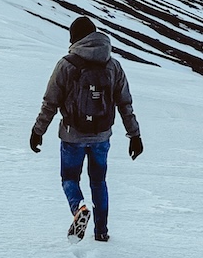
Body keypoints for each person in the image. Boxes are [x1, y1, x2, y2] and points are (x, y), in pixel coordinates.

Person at [29, 15, 143, 242]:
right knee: (99, 182)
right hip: (101, 137)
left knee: (69, 178)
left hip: (73, 135)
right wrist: (135, 135)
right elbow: (125, 103)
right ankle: (101, 232)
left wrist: (38, 131)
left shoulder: (66, 64)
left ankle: (79, 208)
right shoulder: (112, 65)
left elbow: (50, 102)